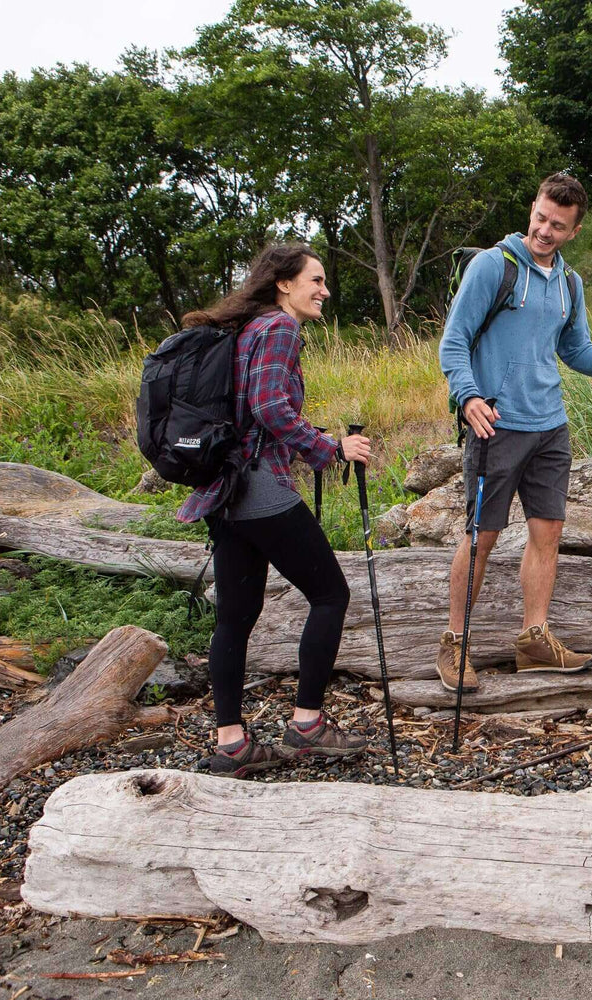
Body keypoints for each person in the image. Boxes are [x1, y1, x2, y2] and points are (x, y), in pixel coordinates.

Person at [438, 173, 592, 692]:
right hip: (496, 425)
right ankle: (454, 644)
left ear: (574, 230)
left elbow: (576, 352)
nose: (544, 230)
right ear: (532, 209)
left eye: (558, 225)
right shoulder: (494, 266)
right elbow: (454, 341)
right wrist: (468, 397)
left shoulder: (569, 283)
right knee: (481, 536)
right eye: (540, 218)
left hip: (549, 427)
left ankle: (534, 640)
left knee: (548, 534)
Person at [177, 243, 373, 778]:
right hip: (261, 488)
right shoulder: (280, 329)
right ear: (284, 283)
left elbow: (256, 409)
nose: (324, 290)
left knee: (235, 619)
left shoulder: (248, 329)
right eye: (316, 279)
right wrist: (329, 448)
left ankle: (232, 742)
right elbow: (269, 406)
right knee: (331, 594)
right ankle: (307, 725)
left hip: (226, 489)